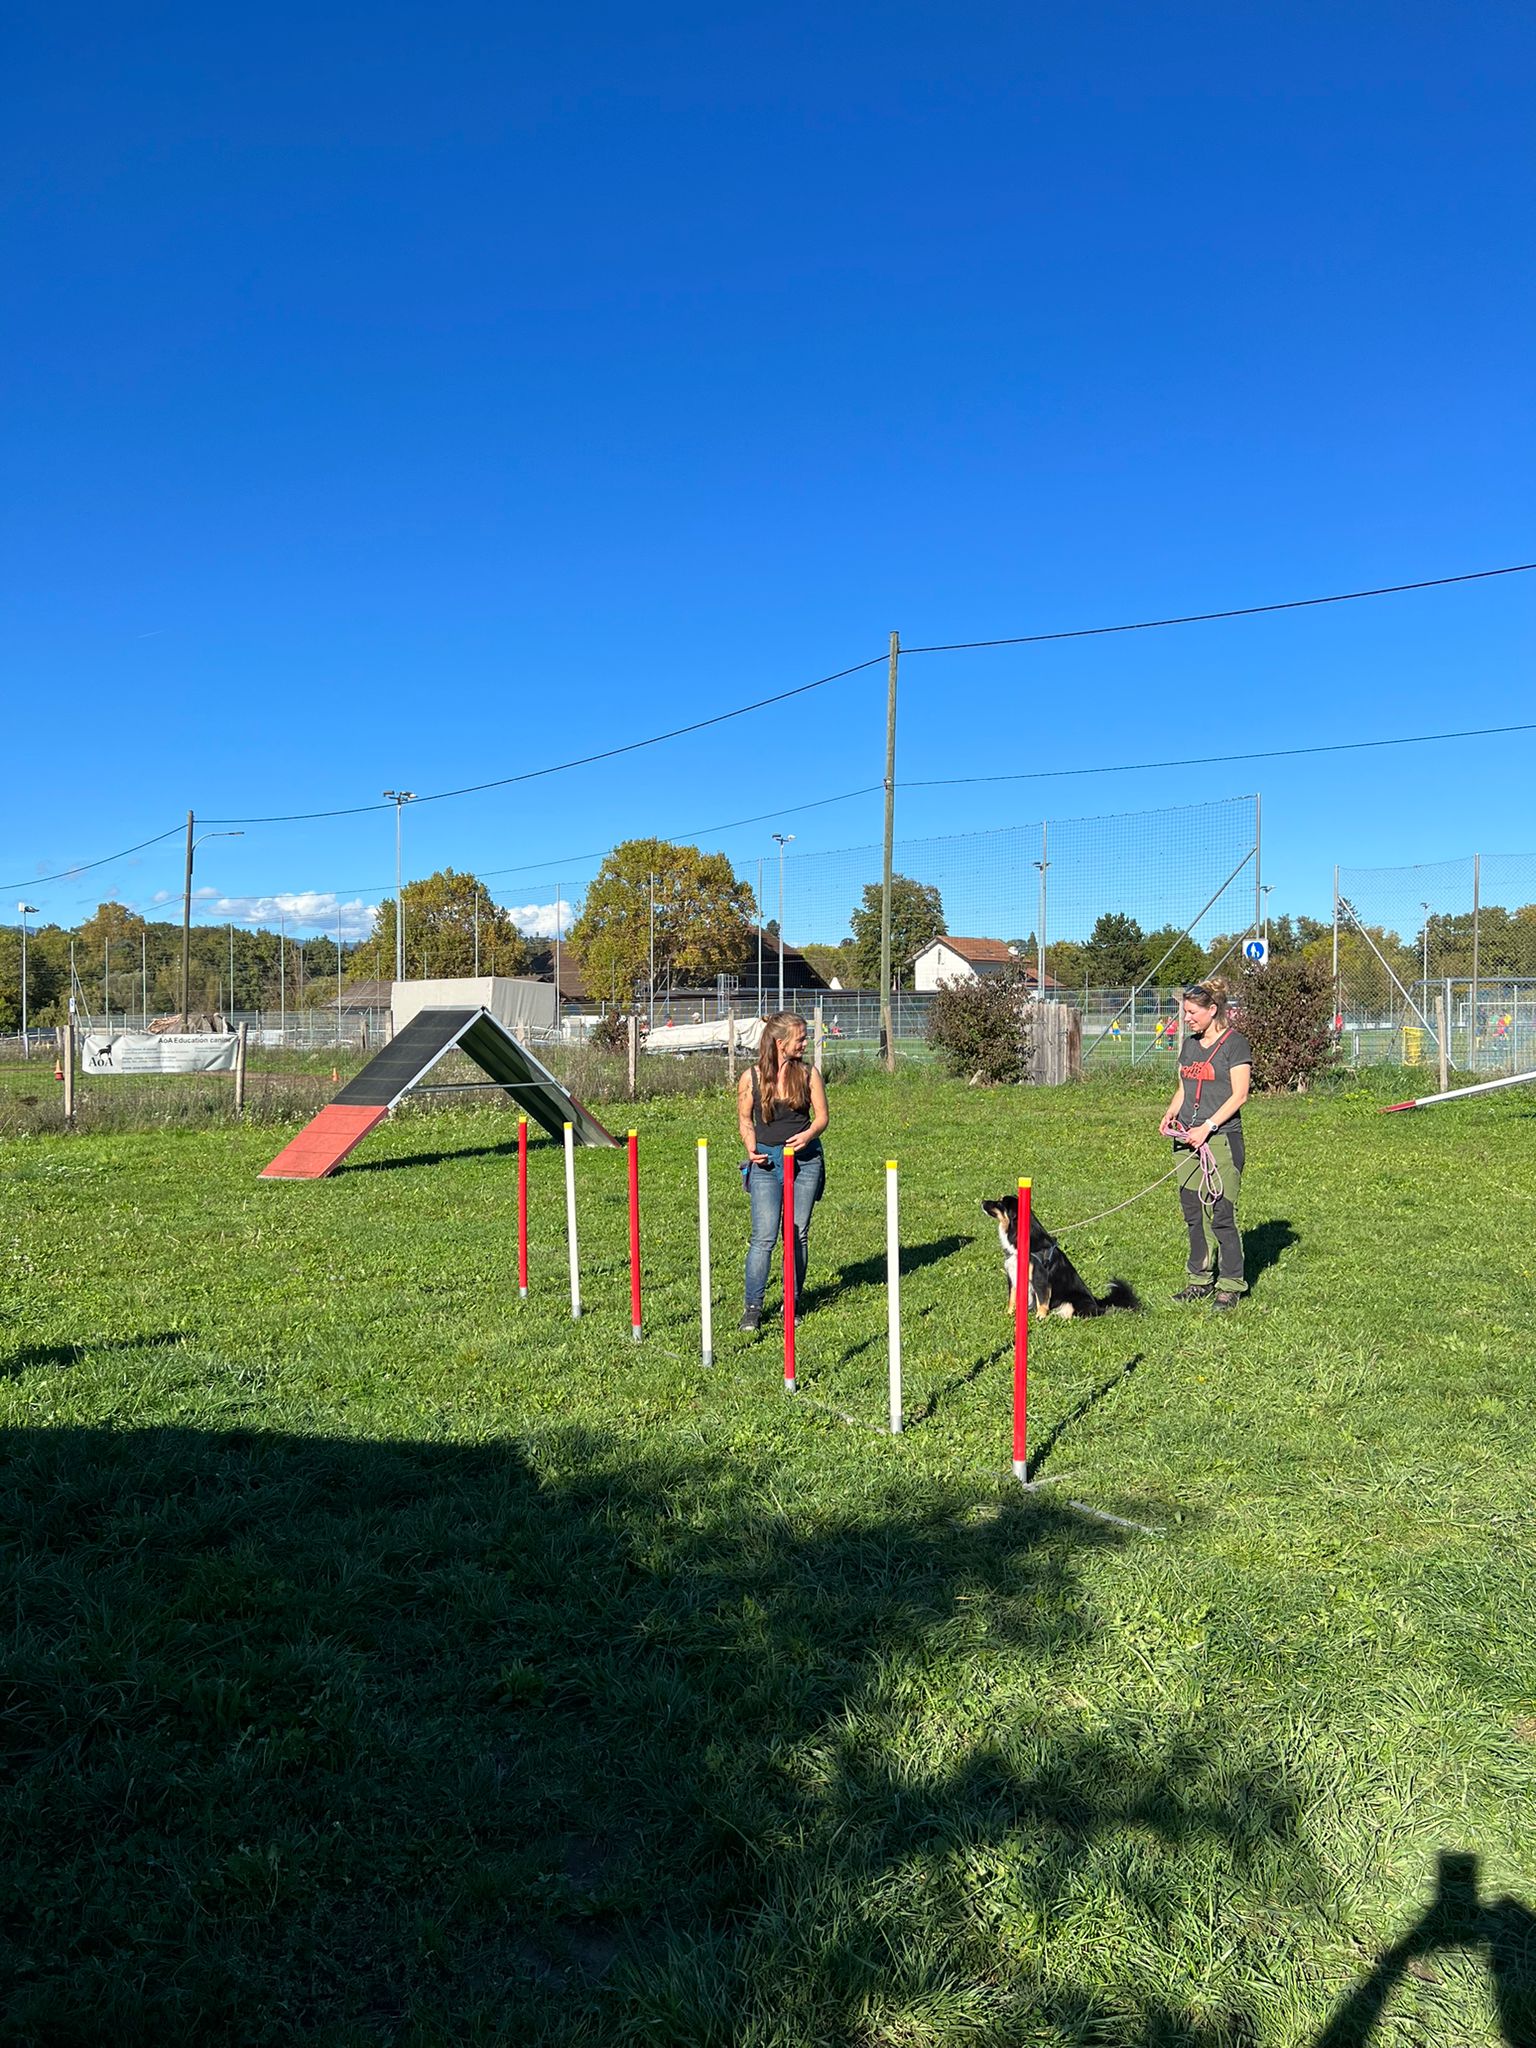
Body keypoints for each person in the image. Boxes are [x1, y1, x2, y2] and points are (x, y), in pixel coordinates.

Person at [1159, 978, 1252, 1309]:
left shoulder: (1235, 1044)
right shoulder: (1189, 1046)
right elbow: (1185, 1086)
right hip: (1187, 1138)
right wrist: (1170, 1113)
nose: (1186, 1018)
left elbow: (1240, 1094)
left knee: (1221, 1215)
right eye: (1184, 1012)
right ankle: (1199, 1279)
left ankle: (1230, 1284)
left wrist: (1209, 1127)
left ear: (1213, 1010)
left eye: (1192, 1012)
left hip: (1222, 1141)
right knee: (1193, 1214)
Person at [736, 1010, 829, 1332]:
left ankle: (793, 1303)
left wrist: (808, 1136)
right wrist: (750, 1147)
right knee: (763, 1237)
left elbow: (822, 1117)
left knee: (796, 1234)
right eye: (800, 1038)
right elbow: (746, 1119)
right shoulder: (752, 1077)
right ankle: (753, 1308)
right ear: (780, 1043)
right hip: (765, 1162)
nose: (805, 1043)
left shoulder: (808, 1074)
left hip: (805, 1162)